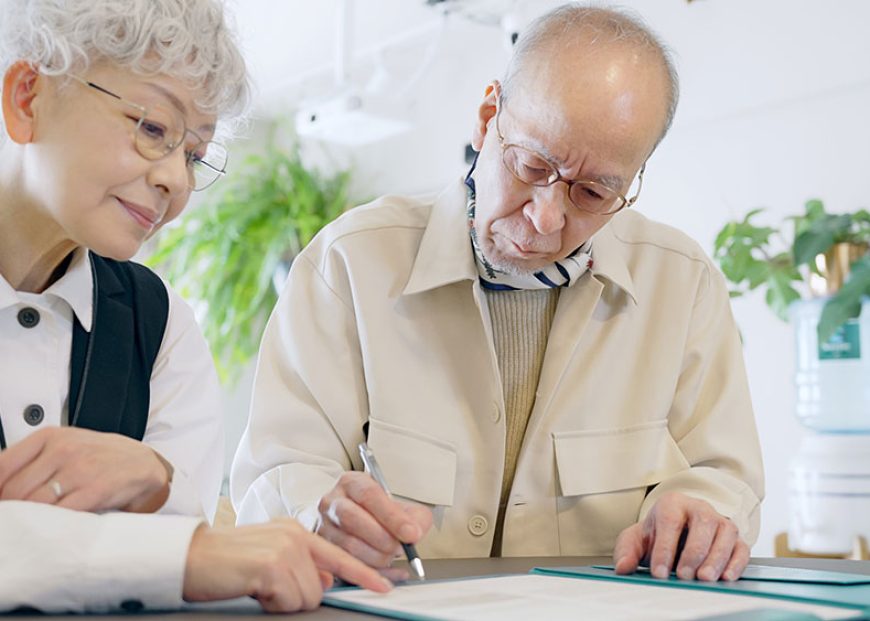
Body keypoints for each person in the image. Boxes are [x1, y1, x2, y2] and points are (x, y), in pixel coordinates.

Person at [231, 3, 764, 584]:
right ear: (487, 119)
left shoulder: (681, 285)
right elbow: (276, 476)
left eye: (590, 194)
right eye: (532, 166)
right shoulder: (350, 265)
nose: (544, 219)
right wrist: (318, 518)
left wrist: (702, 513)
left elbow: (723, 475)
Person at [0, 0, 390, 612]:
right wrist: (177, 552)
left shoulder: (161, 326)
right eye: (153, 128)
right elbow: (185, 556)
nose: (176, 183)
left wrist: (154, 479)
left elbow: (188, 546)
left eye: (193, 156)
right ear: (28, 97)